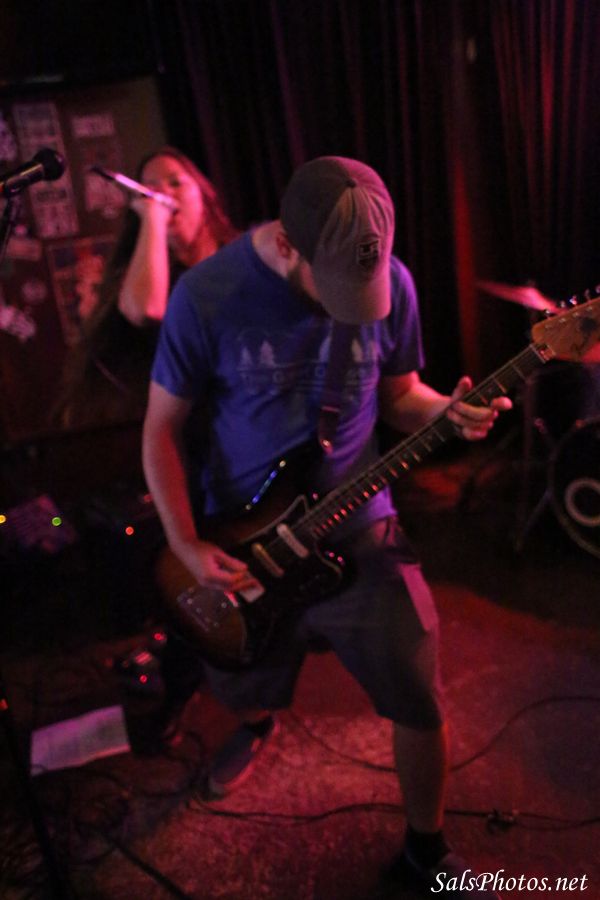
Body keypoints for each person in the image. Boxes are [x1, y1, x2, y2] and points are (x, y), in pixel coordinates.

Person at [142, 156, 511, 899]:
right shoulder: (205, 295)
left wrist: (447, 413)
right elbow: (160, 430)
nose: (353, 304)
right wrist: (184, 542)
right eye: (333, 284)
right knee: (240, 675)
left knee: (419, 690)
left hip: (359, 520)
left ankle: (425, 849)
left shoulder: (391, 282)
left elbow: (401, 397)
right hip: (243, 540)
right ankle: (256, 724)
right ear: (285, 243)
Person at [53, 146, 238, 428]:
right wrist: (154, 217)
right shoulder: (146, 271)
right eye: (150, 189)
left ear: (203, 194)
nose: (163, 194)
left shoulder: (238, 258)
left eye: (175, 183)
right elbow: (145, 309)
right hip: (186, 419)